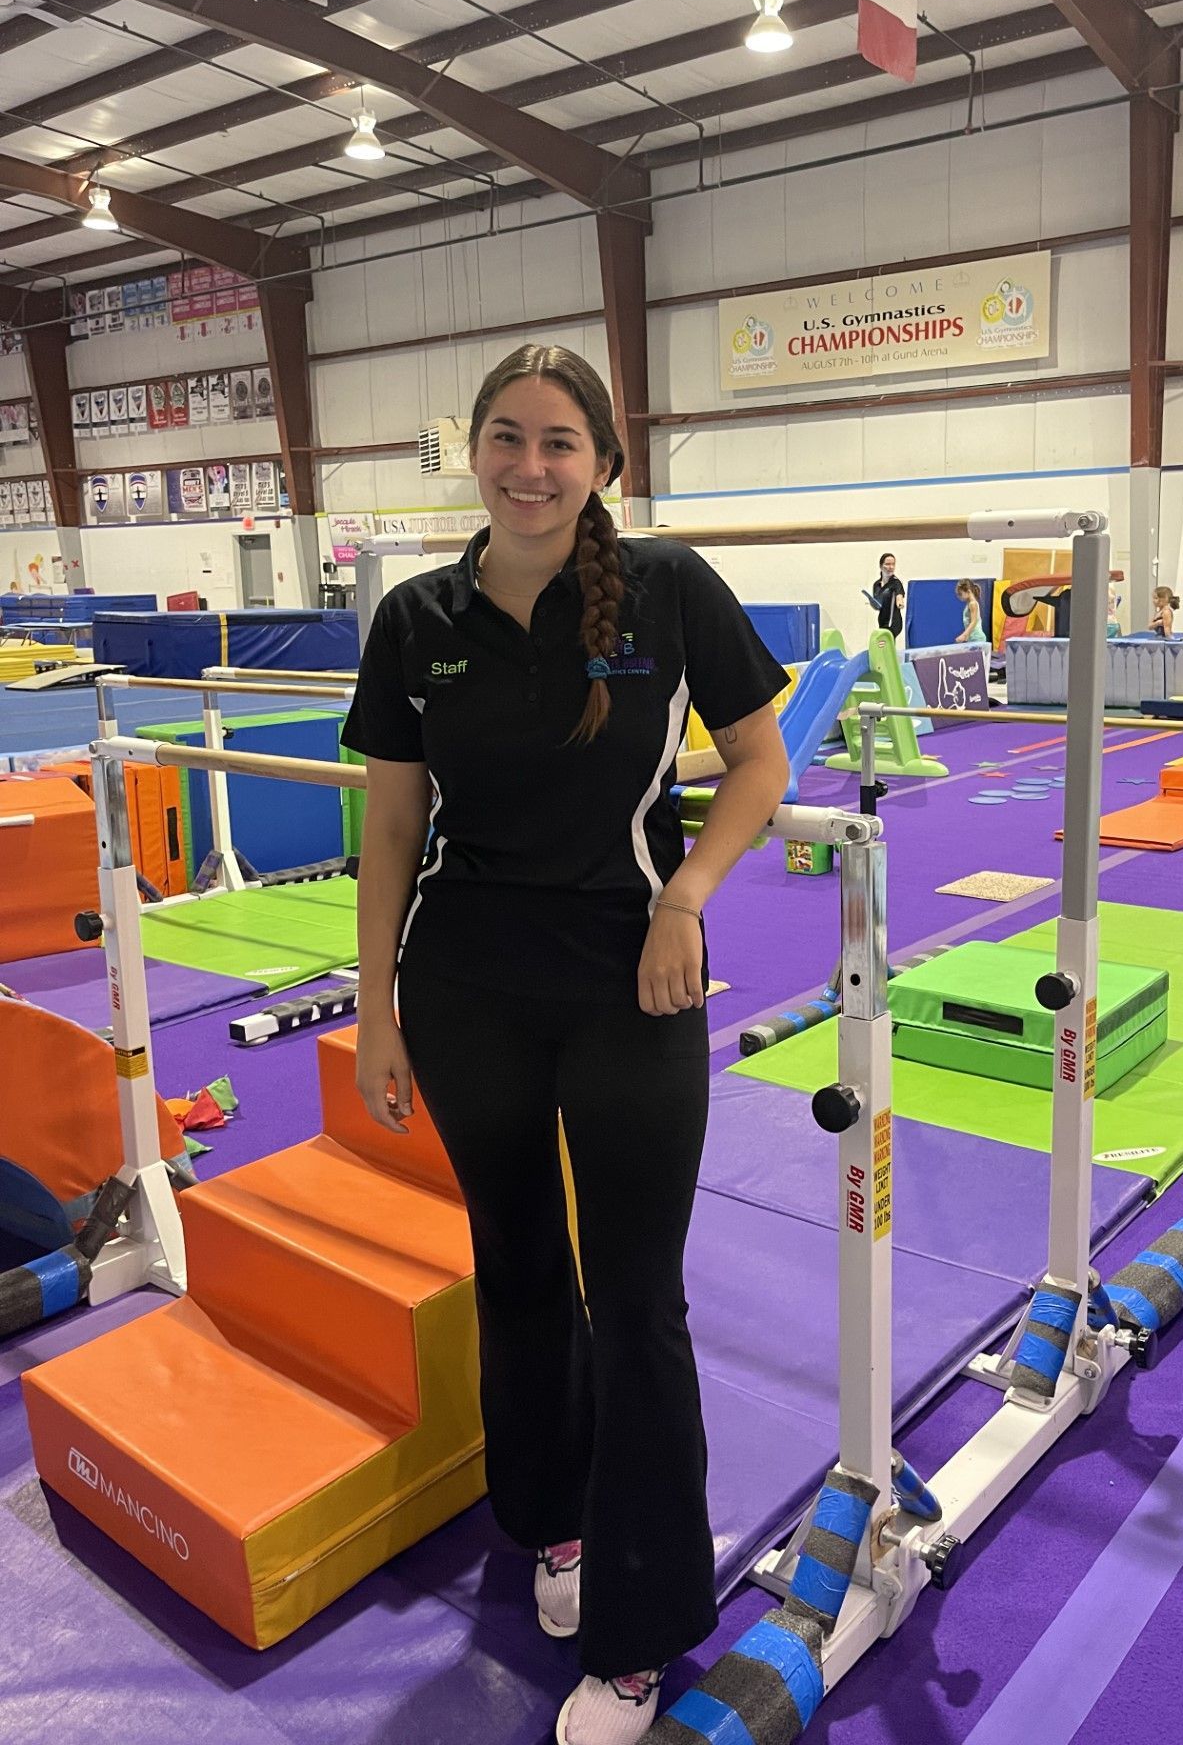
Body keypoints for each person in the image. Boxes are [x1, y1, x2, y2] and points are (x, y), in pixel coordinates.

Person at [342, 344, 791, 1745]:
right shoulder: (417, 616)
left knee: (638, 1302)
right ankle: (549, 1528)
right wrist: (373, 1007)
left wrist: (692, 900)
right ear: (467, 451)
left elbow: (762, 762)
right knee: (519, 1271)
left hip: (630, 979)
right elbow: (395, 824)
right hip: (468, 985)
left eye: (557, 443)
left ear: (602, 461)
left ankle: (641, 1634)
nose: (528, 467)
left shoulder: (666, 589)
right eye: (504, 439)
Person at [869, 551, 905, 638]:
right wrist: (873, 603)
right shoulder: (876, 585)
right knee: (884, 646)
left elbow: (899, 596)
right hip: (882, 621)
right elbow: (877, 606)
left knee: (884, 642)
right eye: (888, 564)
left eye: (893, 564)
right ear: (881, 566)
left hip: (893, 622)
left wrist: (900, 603)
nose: (891, 567)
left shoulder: (896, 583)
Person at [954, 578, 987, 644]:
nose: (959, 597)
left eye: (960, 594)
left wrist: (964, 635)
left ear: (968, 591)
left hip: (977, 638)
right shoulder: (969, 604)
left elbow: (974, 622)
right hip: (972, 638)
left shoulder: (973, 604)